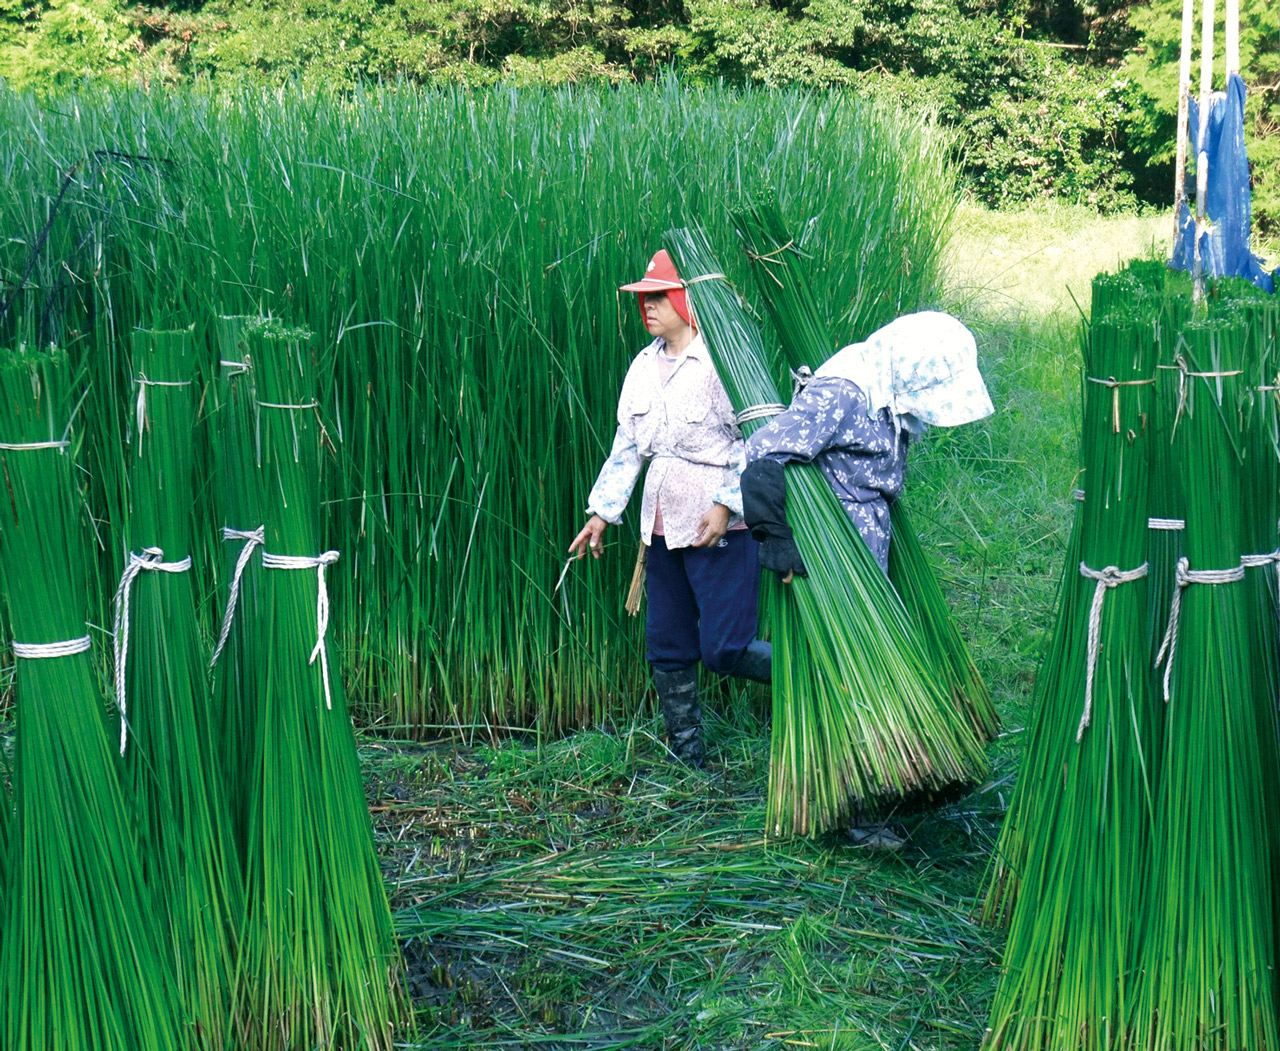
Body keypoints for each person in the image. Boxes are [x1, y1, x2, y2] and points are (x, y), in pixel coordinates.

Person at [740, 310, 994, 848]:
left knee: (869, 665)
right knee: (846, 675)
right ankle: (853, 807)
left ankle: (876, 789)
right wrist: (777, 543)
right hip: (831, 564)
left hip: (867, 550)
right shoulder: (845, 393)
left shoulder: (885, 388)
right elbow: (763, 450)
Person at [568, 250, 771, 767]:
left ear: (686, 300)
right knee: (667, 644)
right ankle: (689, 758)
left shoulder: (721, 364)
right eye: (643, 299)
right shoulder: (642, 365)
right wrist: (602, 513)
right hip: (659, 528)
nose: (648, 307)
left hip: (718, 528)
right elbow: (628, 445)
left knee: (724, 648)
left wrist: (727, 506)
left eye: (658, 296)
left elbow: (757, 439)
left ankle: (812, 675)